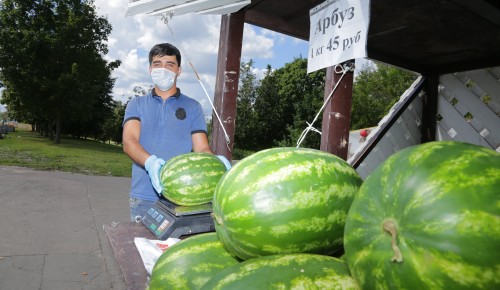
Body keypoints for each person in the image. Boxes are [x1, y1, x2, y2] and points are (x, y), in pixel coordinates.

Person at [122, 43, 231, 222]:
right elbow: (129, 141)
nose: (163, 69)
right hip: (143, 197)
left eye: (170, 64)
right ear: (150, 69)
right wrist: (150, 163)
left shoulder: (193, 106)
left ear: (178, 71)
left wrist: (216, 163)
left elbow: (201, 147)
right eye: (157, 64)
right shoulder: (136, 104)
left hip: (181, 199)